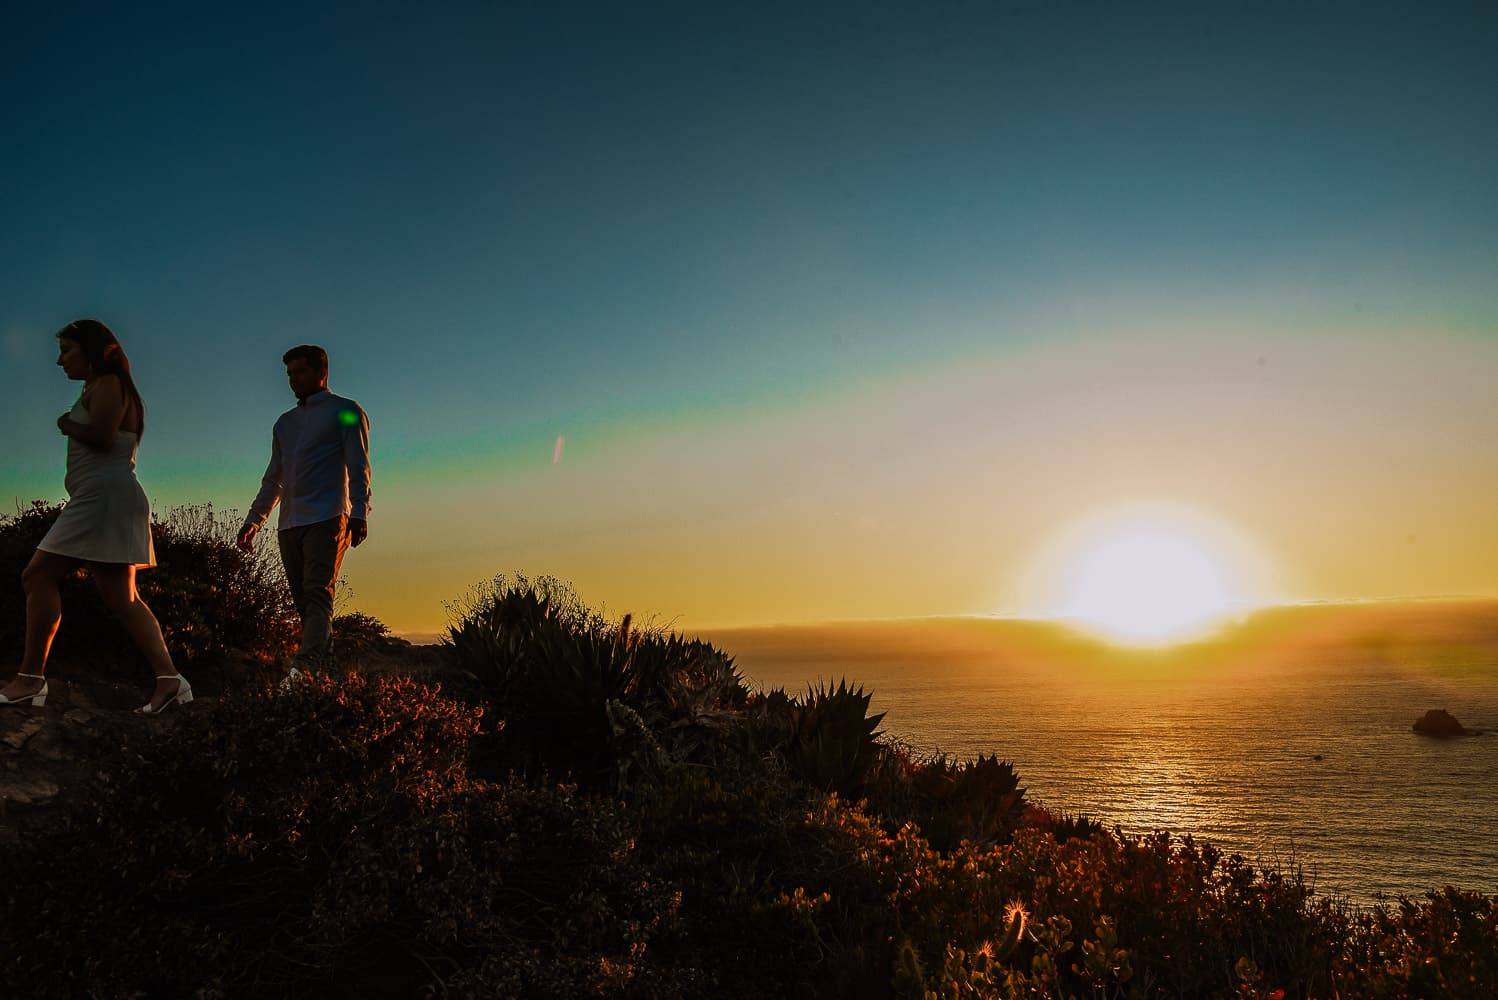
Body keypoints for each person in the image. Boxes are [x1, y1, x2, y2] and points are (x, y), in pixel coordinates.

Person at [0, 320, 189, 714]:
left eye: (66, 350)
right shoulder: (104, 386)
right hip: (108, 496)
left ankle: (30, 680)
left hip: (103, 496)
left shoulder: (108, 383)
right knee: (122, 598)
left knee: (38, 575)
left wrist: (66, 424)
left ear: (92, 349)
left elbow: (103, 436)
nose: (59, 360)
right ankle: (170, 680)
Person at [237, 345, 370, 681]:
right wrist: (255, 520)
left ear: (320, 372)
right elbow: (274, 479)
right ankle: (320, 676)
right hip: (289, 524)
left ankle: (302, 671)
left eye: (299, 372)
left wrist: (360, 511)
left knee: (317, 592)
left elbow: (359, 465)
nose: (293, 380)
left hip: (328, 517)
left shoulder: (346, 411)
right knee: (305, 603)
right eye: (289, 374)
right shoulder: (284, 424)